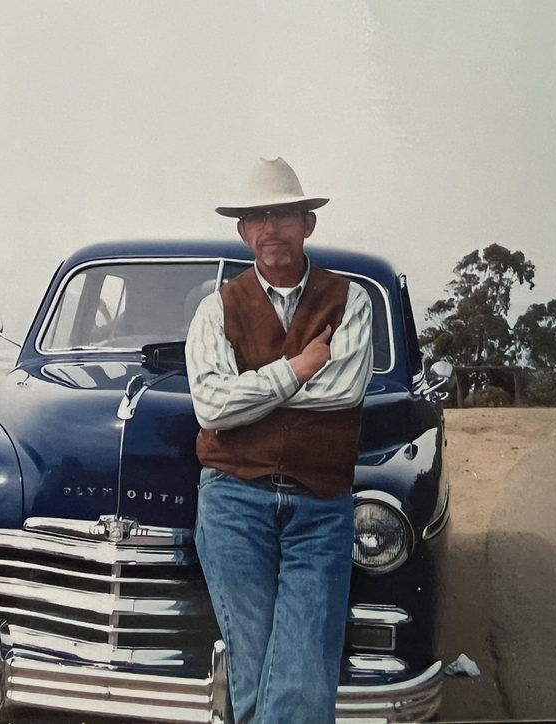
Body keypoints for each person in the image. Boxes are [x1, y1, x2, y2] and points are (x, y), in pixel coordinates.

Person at [185, 157, 373, 724]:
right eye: (257, 217)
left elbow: (343, 390)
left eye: (284, 215)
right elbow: (210, 405)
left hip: (321, 506)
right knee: (255, 661)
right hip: (232, 502)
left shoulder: (352, 300)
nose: (271, 228)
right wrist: (301, 365)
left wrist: (250, 394)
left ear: (306, 224)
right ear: (243, 232)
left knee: (305, 674)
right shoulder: (215, 308)